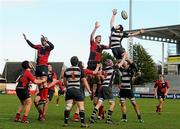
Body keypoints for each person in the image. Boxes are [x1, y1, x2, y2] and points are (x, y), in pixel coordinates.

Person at [23, 33, 54, 120]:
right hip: (38, 67)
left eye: (44, 40)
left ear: (46, 41)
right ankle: (41, 113)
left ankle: (44, 98)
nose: (43, 41)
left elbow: (53, 46)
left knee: (44, 80)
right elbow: (32, 45)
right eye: (42, 40)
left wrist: (48, 40)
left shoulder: (48, 48)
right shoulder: (39, 47)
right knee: (39, 82)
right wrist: (26, 39)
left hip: (44, 66)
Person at [87, 21, 109, 119]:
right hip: (90, 63)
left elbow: (110, 46)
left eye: (100, 39)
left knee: (98, 77)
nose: (100, 39)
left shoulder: (102, 46)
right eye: (98, 38)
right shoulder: (92, 44)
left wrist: (110, 39)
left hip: (97, 64)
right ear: (95, 39)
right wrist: (95, 28)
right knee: (89, 78)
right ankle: (91, 91)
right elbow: (91, 35)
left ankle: (98, 90)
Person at [63, 56, 91, 128]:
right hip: (77, 89)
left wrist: (67, 87)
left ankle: (66, 123)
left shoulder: (66, 70)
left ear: (70, 62)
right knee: (81, 106)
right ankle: (83, 123)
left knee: (68, 106)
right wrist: (89, 90)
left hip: (69, 89)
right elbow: (84, 80)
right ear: (77, 62)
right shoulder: (80, 69)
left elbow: (64, 81)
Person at [89, 59, 116, 124]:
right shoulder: (113, 68)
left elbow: (101, 76)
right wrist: (124, 57)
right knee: (112, 103)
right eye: (111, 62)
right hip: (107, 87)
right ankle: (109, 119)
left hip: (102, 87)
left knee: (99, 103)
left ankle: (92, 117)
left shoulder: (104, 70)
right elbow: (120, 64)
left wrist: (100, 67)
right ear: (110, 63)